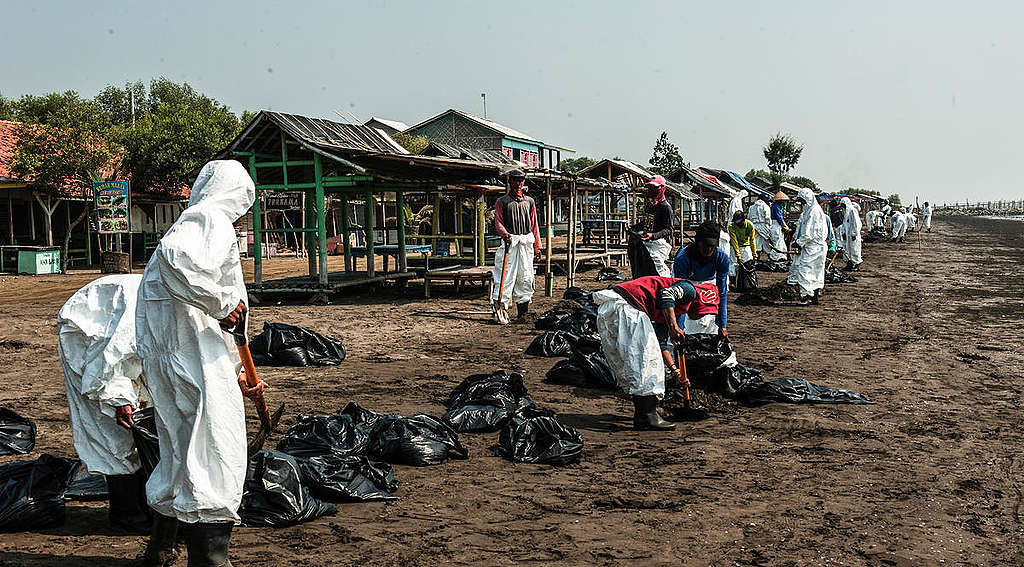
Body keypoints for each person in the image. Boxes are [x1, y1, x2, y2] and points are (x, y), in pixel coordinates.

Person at [136, 160, 267, 567]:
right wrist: (224, 304)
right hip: (191, 357)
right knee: (216, 450)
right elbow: (180, 262)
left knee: (181, 453)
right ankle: (211, 560)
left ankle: (160, 550)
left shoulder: (191, 219)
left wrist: (235, 368)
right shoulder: (210, 218)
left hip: (176, 356)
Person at [58, 274, 151, 535]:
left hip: (117, 350)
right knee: (114, 431)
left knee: (142, 423)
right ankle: (127, 516)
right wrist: (120, 398)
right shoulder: (141, 304)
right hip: (89, 344)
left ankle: (143, 505)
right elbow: (111, 355)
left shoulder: (175, 305)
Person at [592, 276, 721, 430]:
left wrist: (675, 372)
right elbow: (665, 294)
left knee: (639, 361)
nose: (701, 316)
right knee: (647, 362)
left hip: (615, 306)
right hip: (628, 306)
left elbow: (661, 345)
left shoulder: (669, 311)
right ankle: (647, 416)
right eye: (703, 311)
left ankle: (644, 413)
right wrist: (673, 327)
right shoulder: (690, 291)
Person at [492, 168, 542, 324]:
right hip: (510, 243)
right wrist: (505, 234)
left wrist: (537, 247)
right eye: (514, 180)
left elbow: (534, 225)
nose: (517, 183)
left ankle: (523, 313)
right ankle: (500, 309)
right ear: (510, 182)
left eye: (520, 180)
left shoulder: (530, 202)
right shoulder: (502, 201)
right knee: (505, 277)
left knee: (526, 276)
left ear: (523, 182)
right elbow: (498, 222)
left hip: (526, 243)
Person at [672, 221, 729, 340]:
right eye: (705, 245)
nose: (708, 250)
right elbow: (680, 297)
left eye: (712, 246)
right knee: (686, 327)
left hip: (709, 285)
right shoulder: (683, 259)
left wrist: (722, 325)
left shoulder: (722, 258)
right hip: (687, 286)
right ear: (698, 243)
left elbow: (722, 293)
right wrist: (679, 326)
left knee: (709, 325)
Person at [787, 188, 828, 305]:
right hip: (817, 246)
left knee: (804, 270)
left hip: (812, 246)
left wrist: (798, 243)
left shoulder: (813, 211)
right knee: (816, 272)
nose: (802, 203)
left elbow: (808, 233)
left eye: (802, 201)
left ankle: (806, 296)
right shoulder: (812, 210)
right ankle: (814, 295)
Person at [627, 175, 674, 278]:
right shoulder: (650, 205)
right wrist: (633, 228)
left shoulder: (665, 207)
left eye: (654, 188)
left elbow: (669, 229)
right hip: (645, 242)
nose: (651, 190)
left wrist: (653, 235)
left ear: (662, 188)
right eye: (650, 188)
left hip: (657, 244)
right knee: (641, 269)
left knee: (658, 271)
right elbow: (647, 222)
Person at [728, 210, 757, 286]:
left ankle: (747, 284)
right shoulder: (731, 226)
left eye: (740, 223)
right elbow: (734, 241)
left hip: (745, 246)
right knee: (733, 265)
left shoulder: (750, 226)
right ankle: (733, 282)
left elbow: (752, 241)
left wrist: (754, 254)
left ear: (744, 220)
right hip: (734, 247)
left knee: (748, 263)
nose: (738, 225)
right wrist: (738, 256)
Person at [839, 197, 862, 270]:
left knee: (855, 249)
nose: (842, 207)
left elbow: (856, 223)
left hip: (853, 235)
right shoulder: (846, 212)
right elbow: (844, 224)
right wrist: (843, 232)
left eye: (843, 205)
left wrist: (854, 234)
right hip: (847, 235)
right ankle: (850, 264)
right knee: (847, 250)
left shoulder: (852, 211)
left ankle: (857, 264)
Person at [767, 192, 791, 261]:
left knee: (778, 243)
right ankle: (776, 257)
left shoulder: (774, 206)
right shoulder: (776, 207)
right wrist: (785, 226)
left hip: (774, 226)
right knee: (778, 243)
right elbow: (779, 218)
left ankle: (778, 257)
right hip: (776, 226)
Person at [748, 195, 772, 260]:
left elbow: (749, 217)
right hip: (763, 225)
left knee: (755, 242)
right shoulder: (765, 206)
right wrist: (770, 225)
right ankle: (770, 258)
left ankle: (755, 258)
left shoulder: (751, 207)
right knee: (766, 242)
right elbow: (767, 218)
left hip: (754, 226)